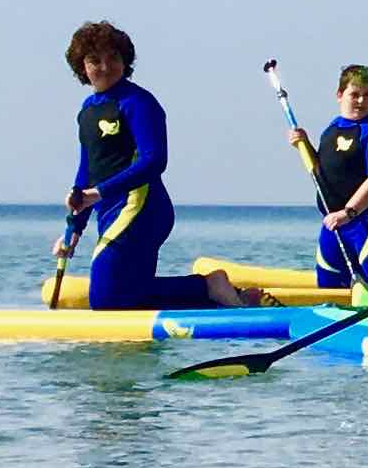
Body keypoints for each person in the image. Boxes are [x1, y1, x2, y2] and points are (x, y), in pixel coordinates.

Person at [62, 22, 261, 311]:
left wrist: (99, 193)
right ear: (82, 66)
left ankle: (209, 286)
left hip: (142, 209)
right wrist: (74, 228)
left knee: (105, 300)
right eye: (95, 60)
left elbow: (154, 160)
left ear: (125, 61)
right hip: (110, 211)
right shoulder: (87, 109)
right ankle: (213, 293)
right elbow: (87, 171)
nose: (105, 67)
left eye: (113, 58)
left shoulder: (138, 102)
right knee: (127, 295)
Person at [288, 64, 368, 287]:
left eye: (367, 95)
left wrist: (348, 212)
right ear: (339, 95)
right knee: (328, 285)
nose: (361, 101)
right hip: (335, 220)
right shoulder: (331, 129)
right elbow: (322, 171)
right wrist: (302, 144)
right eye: (355, 94)